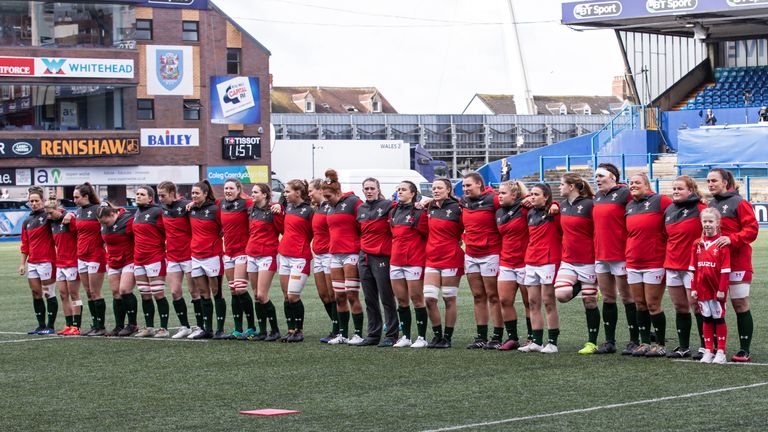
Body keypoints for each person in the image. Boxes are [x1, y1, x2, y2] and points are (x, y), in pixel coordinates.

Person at [707, 168, 758, 362]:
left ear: (725, 182)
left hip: (738, 263)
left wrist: (732, 239)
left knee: (739, 303)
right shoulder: (711, 204)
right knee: (714, 305)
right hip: (715, 265)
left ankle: (744, 348)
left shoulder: (739, 203)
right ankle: (715, 348)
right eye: (708, 181)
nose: (710, 184)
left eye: (714, 181)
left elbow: (752, 230)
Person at [591, 163, 638, 355]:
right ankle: (610, 341)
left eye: (601, 175)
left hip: (620, 253)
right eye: (596, 176)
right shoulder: (597, 196)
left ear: (613, 177)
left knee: (627, 297)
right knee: (608, 297)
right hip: (600, 254)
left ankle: (635, 340)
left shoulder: (625, 193)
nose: (598, 179)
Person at [625, 173, 672, 357]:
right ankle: (644, 342)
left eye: (637, 182)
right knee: (640, 304)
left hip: (655, 261)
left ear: (647, 185)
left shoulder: (661, 200)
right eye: (631, 183)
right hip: (633, 262)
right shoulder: (629, 205)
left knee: (653, 304)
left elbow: (679, 211)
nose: (633, 185)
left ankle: (659, 344)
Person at [554, 173, 601, 355]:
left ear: (571, 186)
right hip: (568, 260)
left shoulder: (590, 204)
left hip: (588, 260)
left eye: (561, 184)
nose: (559, 188)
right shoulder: (563, 206)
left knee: (589, 302)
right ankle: (585, 286)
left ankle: (592, 342)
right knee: (562, 294)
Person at [663, 176, 707, 359]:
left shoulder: (701, 209)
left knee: (697, 306)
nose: (675, 191)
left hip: (692, 266)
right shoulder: (669, 210)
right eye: (674, 188)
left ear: (691, 190)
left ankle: (706, 346)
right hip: (672, 265)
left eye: (680, 188)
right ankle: (683, 346)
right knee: (680, 307)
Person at [460, 172, 504, 349]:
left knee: (493, 296)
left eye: (468, 185)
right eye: (463, 186)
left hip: (490, 253)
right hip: (471, 254)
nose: (465, 189)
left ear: (479, 184)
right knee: (478, 296)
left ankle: (497, 336)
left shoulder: (493, 199)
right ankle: (480, 337)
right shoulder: (463, 202)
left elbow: (517, 200)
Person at [322, 169, 365, 345]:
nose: (326, 199)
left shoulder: (354, 202)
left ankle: (358, 334)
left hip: (351, 253)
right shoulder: (329, 207)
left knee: (351, 294)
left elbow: (364, 224)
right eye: (324, 196)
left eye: (328, 196)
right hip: (335, 255)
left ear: (338, 192)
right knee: (339, 296)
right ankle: (342, 334)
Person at [518, 183, 562, 353]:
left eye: (536, 194)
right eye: (531, 194)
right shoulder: (529, 212)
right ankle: (536, 342)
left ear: (546, 197)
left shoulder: (554, 212)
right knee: (533, 302)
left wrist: (556, 204)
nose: (532, 196)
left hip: (549, 260)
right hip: (531, 261)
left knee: (548, 301)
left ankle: (552, 342)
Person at [356, 177, 399, 347]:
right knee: (369, 298)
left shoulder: (389, 205)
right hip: (364, 256)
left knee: (386, 297)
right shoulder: (361, 208)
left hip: (382, 256)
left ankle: (391, 334)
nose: (369, 191)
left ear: (378, 189)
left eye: (372, 188)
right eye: (366, 188)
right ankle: (373, 334)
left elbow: (405, 208)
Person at [157, 181, 201, 339]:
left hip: (188, 255)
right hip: (172, 256)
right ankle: (185, 326)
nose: (160, 198)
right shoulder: (163, 209)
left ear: (172, 193)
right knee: (175, 292)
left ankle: (200, 326)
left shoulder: (186, 206)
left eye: (163, 195)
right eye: (159, 195)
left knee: (194, 292)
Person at [424, 178, 463, 349]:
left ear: (448, 190)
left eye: (439, 188)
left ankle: (447, 337)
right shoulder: (430, 207)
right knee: (429, 299)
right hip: (432, 259)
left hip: (451, 258)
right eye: (433, 188)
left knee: (449, 299)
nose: (436, 190)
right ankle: (437, 335)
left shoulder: (457, 208)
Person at [389, 181, 429, 348]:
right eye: (398, 189)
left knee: (417, 299)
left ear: (413, 193)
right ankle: (405, 336)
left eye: (404, 189)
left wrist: (426, 202)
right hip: (395, 261)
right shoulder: (393, 211)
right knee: (402, 300)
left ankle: (421, 337)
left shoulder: (420, 212)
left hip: (414, 261)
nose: (400, 192)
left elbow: (427, 235)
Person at [65, 182, 108, 336]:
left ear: (85, 196)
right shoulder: (78, 211)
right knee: (88, 292)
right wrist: (69, 215)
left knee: (96, 292)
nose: (74, 200)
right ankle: (95, 324)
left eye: (77, 197)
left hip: (95, 255)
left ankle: (101, 326)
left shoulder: (98, 210)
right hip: (81, 256)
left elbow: (112, 219)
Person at [690, 208, 731, 364]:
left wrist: (722, 290)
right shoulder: (697, 244)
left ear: (717, 223)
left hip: (716, 289)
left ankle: (721, 351)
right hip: (702, 289)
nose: (707, 224)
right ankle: (709, 350)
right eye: (704, 221)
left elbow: (726, 270)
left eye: (710, 221)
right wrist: (693, 288)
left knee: (719, 318)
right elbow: (693, 268)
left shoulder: (722, 244)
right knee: (706, 318)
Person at [495, 180, 531, 351]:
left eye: (503, 193)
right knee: (505, 300)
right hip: (506, 262)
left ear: (515, 195)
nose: (499, 196)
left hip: (525, 262)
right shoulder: (499, 212)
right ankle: (512, 338)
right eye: (499, 193)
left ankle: (532, 338)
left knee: (528, 302)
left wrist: (520, 186)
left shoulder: (525, 207)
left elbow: (543, 200)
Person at [277, 180, 315, 342]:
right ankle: (291, 329)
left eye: (287, 191)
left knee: (293, 296)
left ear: (298, 193)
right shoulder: (288, 207)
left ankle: (299, 330)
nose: (285, 194)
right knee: (286, 296)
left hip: (300, 257)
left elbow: (312, 233)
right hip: (284, 255)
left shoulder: (309, 210)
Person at [246, 183, 284, 341]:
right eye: (252, 192)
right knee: (256, 295)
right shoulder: (251, 209)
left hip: (267, 255)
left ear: (265, 195)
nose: (252, 194)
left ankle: (275, 330)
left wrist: (279, 209)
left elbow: (282, 230)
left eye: (255, 192)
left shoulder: (273, 210)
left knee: (262, 295)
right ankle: (262, 331)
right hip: (251, 255)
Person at [188, 180, 225, 339]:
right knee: (203, 292)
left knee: (217, 291)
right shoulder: (190, 209)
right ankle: (207, 329)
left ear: (205, 193)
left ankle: (220, 329)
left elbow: (225, 225)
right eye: (192, 193)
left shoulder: (215, 209)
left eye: (197, 193)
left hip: (213, 255)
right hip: (196, 256)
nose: (194, 196)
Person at [219, 178, 256, 340]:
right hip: (228, 253)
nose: (227, 191)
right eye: (226, 188)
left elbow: (262, 207)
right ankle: (237, 329)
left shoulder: (247, 203)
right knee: (233, 290)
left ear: (238, 189)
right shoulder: (221, 204)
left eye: (231, 188)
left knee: (240, 288)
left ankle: (252, 327)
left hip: (243, 252)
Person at [132, 185, 170, 338]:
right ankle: (149, 327)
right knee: (144, 294)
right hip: (138, 259)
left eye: (142, 194)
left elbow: (169, 230)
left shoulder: (157, 211)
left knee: (158, 293)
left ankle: (164, 328)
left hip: (154, 258)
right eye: (137, 194)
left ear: (150, 198)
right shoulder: (136, 213)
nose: (138, 196)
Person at [19, 187, 58, 335]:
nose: (34, 203)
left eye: (36, 201)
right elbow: (25, 244)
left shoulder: (48, 217)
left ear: (42, 201)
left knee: (48, 293)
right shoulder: (27, 221)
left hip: (47, 261)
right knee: (36, 293)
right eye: (31, 201)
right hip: (33, 262)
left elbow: (61, 215)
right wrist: (23, 263)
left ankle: (50, 326)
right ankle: (41, 326)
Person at [97, 202, 139, 337]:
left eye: (106, 223)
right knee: (116, 293)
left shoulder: (128, 220)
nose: (104, 226)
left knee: (125, 290)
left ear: (112, 214)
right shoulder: (104, 224)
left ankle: (132, 324)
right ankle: (118, 326)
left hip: (129, 259)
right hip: (113, 261)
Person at [45, 199, 82, 335]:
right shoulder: (52, 223)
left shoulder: (68, 219)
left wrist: (71, 214)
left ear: (57, 209)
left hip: (72, 262)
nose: (48, 216)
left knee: (74, 294)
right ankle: (68, 324)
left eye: (50, 213)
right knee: (63, 295)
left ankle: (76, 326)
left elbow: (80, 230)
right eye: (46, 213)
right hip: (59, 263)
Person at [309, 179, 339, 342]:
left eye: (311, 191)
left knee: (333, 294)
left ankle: (338, 329)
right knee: (324, 295)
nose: (309, 194)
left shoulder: (331, 207)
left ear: (320, 191)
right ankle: (336, 326)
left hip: (329, 254)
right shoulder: (317, 208)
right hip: (318, 255)